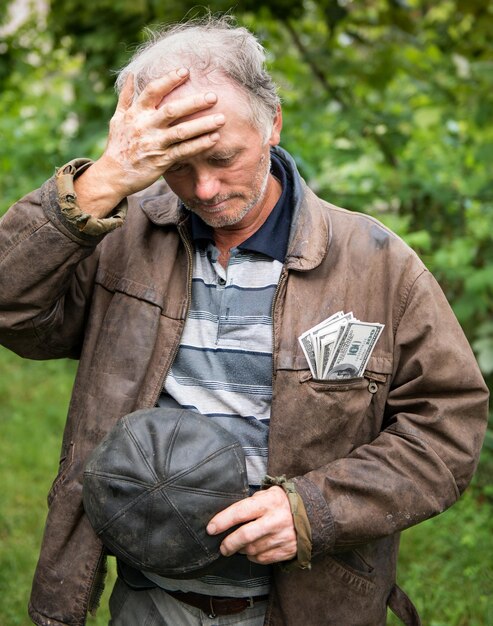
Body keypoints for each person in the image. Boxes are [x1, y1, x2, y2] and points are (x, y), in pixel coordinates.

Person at [0, 16, 488, 626]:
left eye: (224, 157)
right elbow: (13, 305)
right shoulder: (120, 240)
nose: (204, 188)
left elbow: (448, 427)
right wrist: (100, 185)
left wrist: (315, 510)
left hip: (303, 605)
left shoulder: (376, 263)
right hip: (149, 601)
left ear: (273, 121)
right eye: (176, 165)